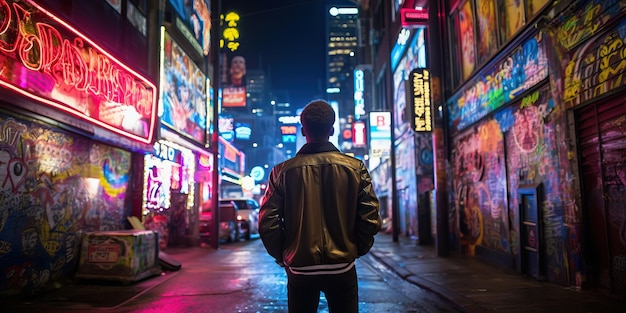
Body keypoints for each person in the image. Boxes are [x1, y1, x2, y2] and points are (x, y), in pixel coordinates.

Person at [258, 100, 382, 313]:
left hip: (300, 269)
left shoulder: (282, 172)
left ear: (303, 129)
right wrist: (355, 249)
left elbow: (267, 223)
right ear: (332, 130)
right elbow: (370, 217)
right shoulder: (355, 168)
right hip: (342, 267)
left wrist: (284, 255)